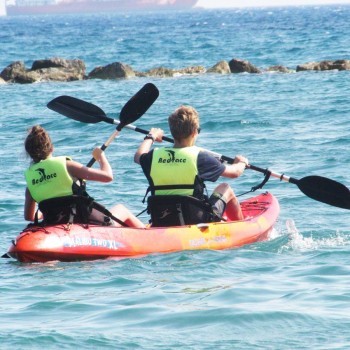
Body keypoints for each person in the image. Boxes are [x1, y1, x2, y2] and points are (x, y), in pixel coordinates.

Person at [134, 105, 249, 223]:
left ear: (172, 131)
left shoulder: (154, 156)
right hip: (195, 219)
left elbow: (138, 156)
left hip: (162, 218)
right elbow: (235, 173)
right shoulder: (200, 156)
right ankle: (242, 227)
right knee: (225, 187)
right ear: (194, 132)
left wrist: (151, 136)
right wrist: (241, 163)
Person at [24, 125, 144, 228]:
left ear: (29, 153)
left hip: (53, 223)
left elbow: (29, 217)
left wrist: (43, 214)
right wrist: (101, 158)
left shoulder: (30, 181)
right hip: (82, 219)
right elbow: (108, 176)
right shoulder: (67, 166)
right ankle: (151, 236)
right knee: (122, 210)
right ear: (51, 148)